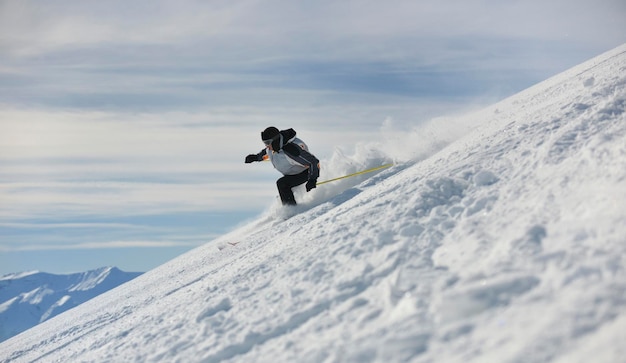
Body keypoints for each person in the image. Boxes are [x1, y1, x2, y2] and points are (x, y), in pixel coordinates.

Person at [245, 127, 320, 206]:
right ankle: (288, 207)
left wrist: (312, 180)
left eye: (267, 142)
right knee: (282, 190)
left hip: (306, 172)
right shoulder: (272, 148)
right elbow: (265, 153)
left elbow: (313, 162)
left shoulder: (291, 151)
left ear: (275, 140)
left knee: (282, 184)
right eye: (264, 143)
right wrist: (255, 158)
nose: (266, 145)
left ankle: (292, 210)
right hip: (292, 174)